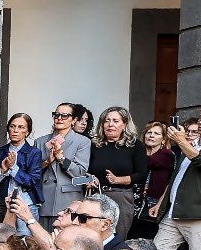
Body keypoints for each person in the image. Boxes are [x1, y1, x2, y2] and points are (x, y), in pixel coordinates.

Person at [152, 105, 201, 250]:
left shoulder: (190, 146)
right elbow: (176, 179)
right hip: (174, 213)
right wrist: (161, 203)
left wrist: (182, 142)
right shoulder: (191, 144)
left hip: (198, 215)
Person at [90, 106, 146, 241]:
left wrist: (118, 180)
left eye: (115, 121)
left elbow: (142, 174)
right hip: (96, 196)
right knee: (92, 238)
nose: (110, 124)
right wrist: (88, 179)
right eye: (107, 121)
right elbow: (86, 169)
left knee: (116, 238)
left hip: (121, 196)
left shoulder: (135, 145)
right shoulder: (94, 144)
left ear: (125, 124)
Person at [37, 102, 92, 226]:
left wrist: (61, 158)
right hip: (44, 200)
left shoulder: (82, 142)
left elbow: (80, 172)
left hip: (69, 200)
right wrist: (47, 162)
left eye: (64, 116)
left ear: (74, 120)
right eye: (56, 115)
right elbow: (33, 172)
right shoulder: (40, 142)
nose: (59, 118)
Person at [136, 120, 173, 241]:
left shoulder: (166, 154)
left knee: (148, 241)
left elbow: (149, 162)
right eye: (149, 132)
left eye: (156, 133)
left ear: (163, 139)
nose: (151, 135)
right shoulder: (139, 153)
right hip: (136, 203)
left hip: (154, 205)